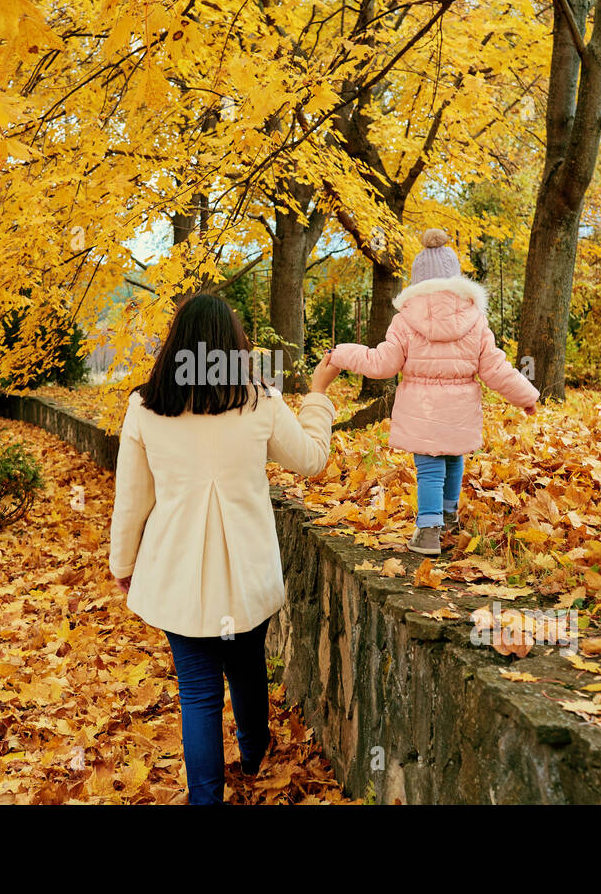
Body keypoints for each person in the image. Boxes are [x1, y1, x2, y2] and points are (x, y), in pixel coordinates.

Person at [109, 292, 341, 804]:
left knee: (197, 690)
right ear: (235, 347)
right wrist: (319, 394)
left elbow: (132, 501)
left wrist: (123, 564)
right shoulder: (260, 401)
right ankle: (255, 751)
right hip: (246, 571)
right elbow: (311, 459)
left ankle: (206, 797)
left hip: (176, 575)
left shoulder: (147, 407)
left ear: (174, 346)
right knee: (246, 664)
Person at [328, 228, 538, 557]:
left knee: (429, 467)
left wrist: (341, 353)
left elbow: (382, 363)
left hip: (422, 409)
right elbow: (495, 368)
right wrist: (527, 395)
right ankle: (449, 515)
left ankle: (428, 531)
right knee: (454, 457)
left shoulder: (405, 320)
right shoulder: (475, 319)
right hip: (460, 409)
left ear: (417, 282)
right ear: (456, 280)